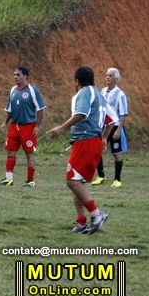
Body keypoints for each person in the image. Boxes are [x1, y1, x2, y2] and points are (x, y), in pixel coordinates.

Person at [48, 66, 114, 235]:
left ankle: (97, 214)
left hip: (86, 140)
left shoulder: (84, 93)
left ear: (76, 81)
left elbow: (81, 114)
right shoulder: (99, 94)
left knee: (72, 181)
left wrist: (61, 128)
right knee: (78, 182)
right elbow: (112, 120)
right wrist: (104, 138)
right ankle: (81, 223)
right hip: (92, 141)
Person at [0, 66, 46, 188]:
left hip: (28, 127)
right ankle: (9, 179)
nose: (15, 77)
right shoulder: (13, 90)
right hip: (14, 126)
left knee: (29, 153)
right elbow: (9, 109)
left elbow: (40, 109)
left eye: (18, 75)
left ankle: (30, 181)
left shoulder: (32, 90)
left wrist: (37, 126)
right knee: (10, 152)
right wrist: (5, 122)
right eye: (14, 75)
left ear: (25, 76)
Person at [91, 67, 129, 188]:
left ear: (116, 78)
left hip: (115, 127)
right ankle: (101, 176)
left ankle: (117, 179)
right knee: (98, 150)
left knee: (116, 153)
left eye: (111, 75)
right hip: (103, 126)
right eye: (107, 75)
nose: (108, 77)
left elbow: (123, 114)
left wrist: (118, 130)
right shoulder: (102, 91)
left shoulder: (120, 94)